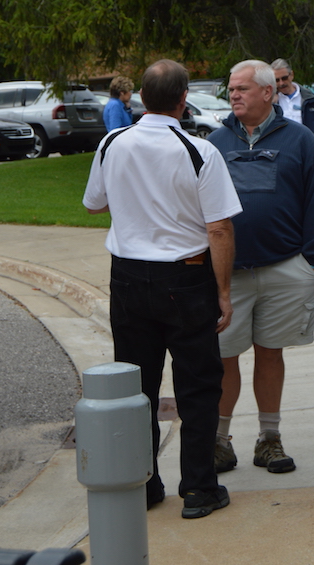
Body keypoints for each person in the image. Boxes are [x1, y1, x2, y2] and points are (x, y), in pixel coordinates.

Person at [82, 58, 241, 520]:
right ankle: (198, 488)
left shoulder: (113, 142)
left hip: (129, 277)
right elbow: (220, 228)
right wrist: (224, 292)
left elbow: (94, 204)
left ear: (141, 98)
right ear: (183, 98)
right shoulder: (199, 151)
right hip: (186, 277)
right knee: (197, 385)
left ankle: (144, 483)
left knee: (139, 386)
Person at [208, 60, 314, 475]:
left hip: (285, 268)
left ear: (268, 93)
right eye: (231, 90)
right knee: (225, 357)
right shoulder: (215, 143)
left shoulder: (300, 140)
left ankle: (270, 438)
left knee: (271, 353)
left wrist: (310, 259)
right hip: (230, 276)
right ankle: (220, 441)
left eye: (242, 88)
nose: (234, 95)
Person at [271, 57, 314, 280]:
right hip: (280, 160)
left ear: (292, 75)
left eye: (284, 78)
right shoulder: (271, 100)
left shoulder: (309, 97)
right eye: (276, 79)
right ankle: (287, 257)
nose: (280, 83)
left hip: (308, 157)